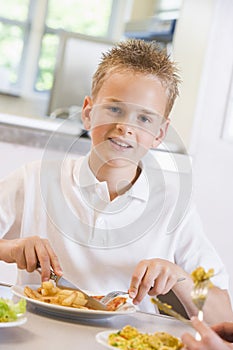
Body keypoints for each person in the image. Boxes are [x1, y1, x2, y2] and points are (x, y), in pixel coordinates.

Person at [0, 39, 232, 323]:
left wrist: (180, 278)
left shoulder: (174, 206)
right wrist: (9, 248)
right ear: (88, 112)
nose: (125, 127)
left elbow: (222, 316)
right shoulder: (34, 179)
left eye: (145, 119)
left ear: (160, 133)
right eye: (114, 109)